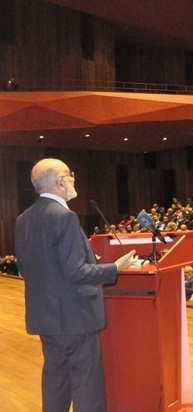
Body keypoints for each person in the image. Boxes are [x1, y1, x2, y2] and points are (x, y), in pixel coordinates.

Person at [14, 158, 137, 412]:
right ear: (60, 182)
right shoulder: (65, 217)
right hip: (75, 319)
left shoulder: (23, 219)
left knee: (55, 381)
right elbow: (75, 271)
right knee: (86, 386)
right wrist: (116, 268)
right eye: (70, 176)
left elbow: (26, 269)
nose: (73, 180)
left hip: (46, 318)